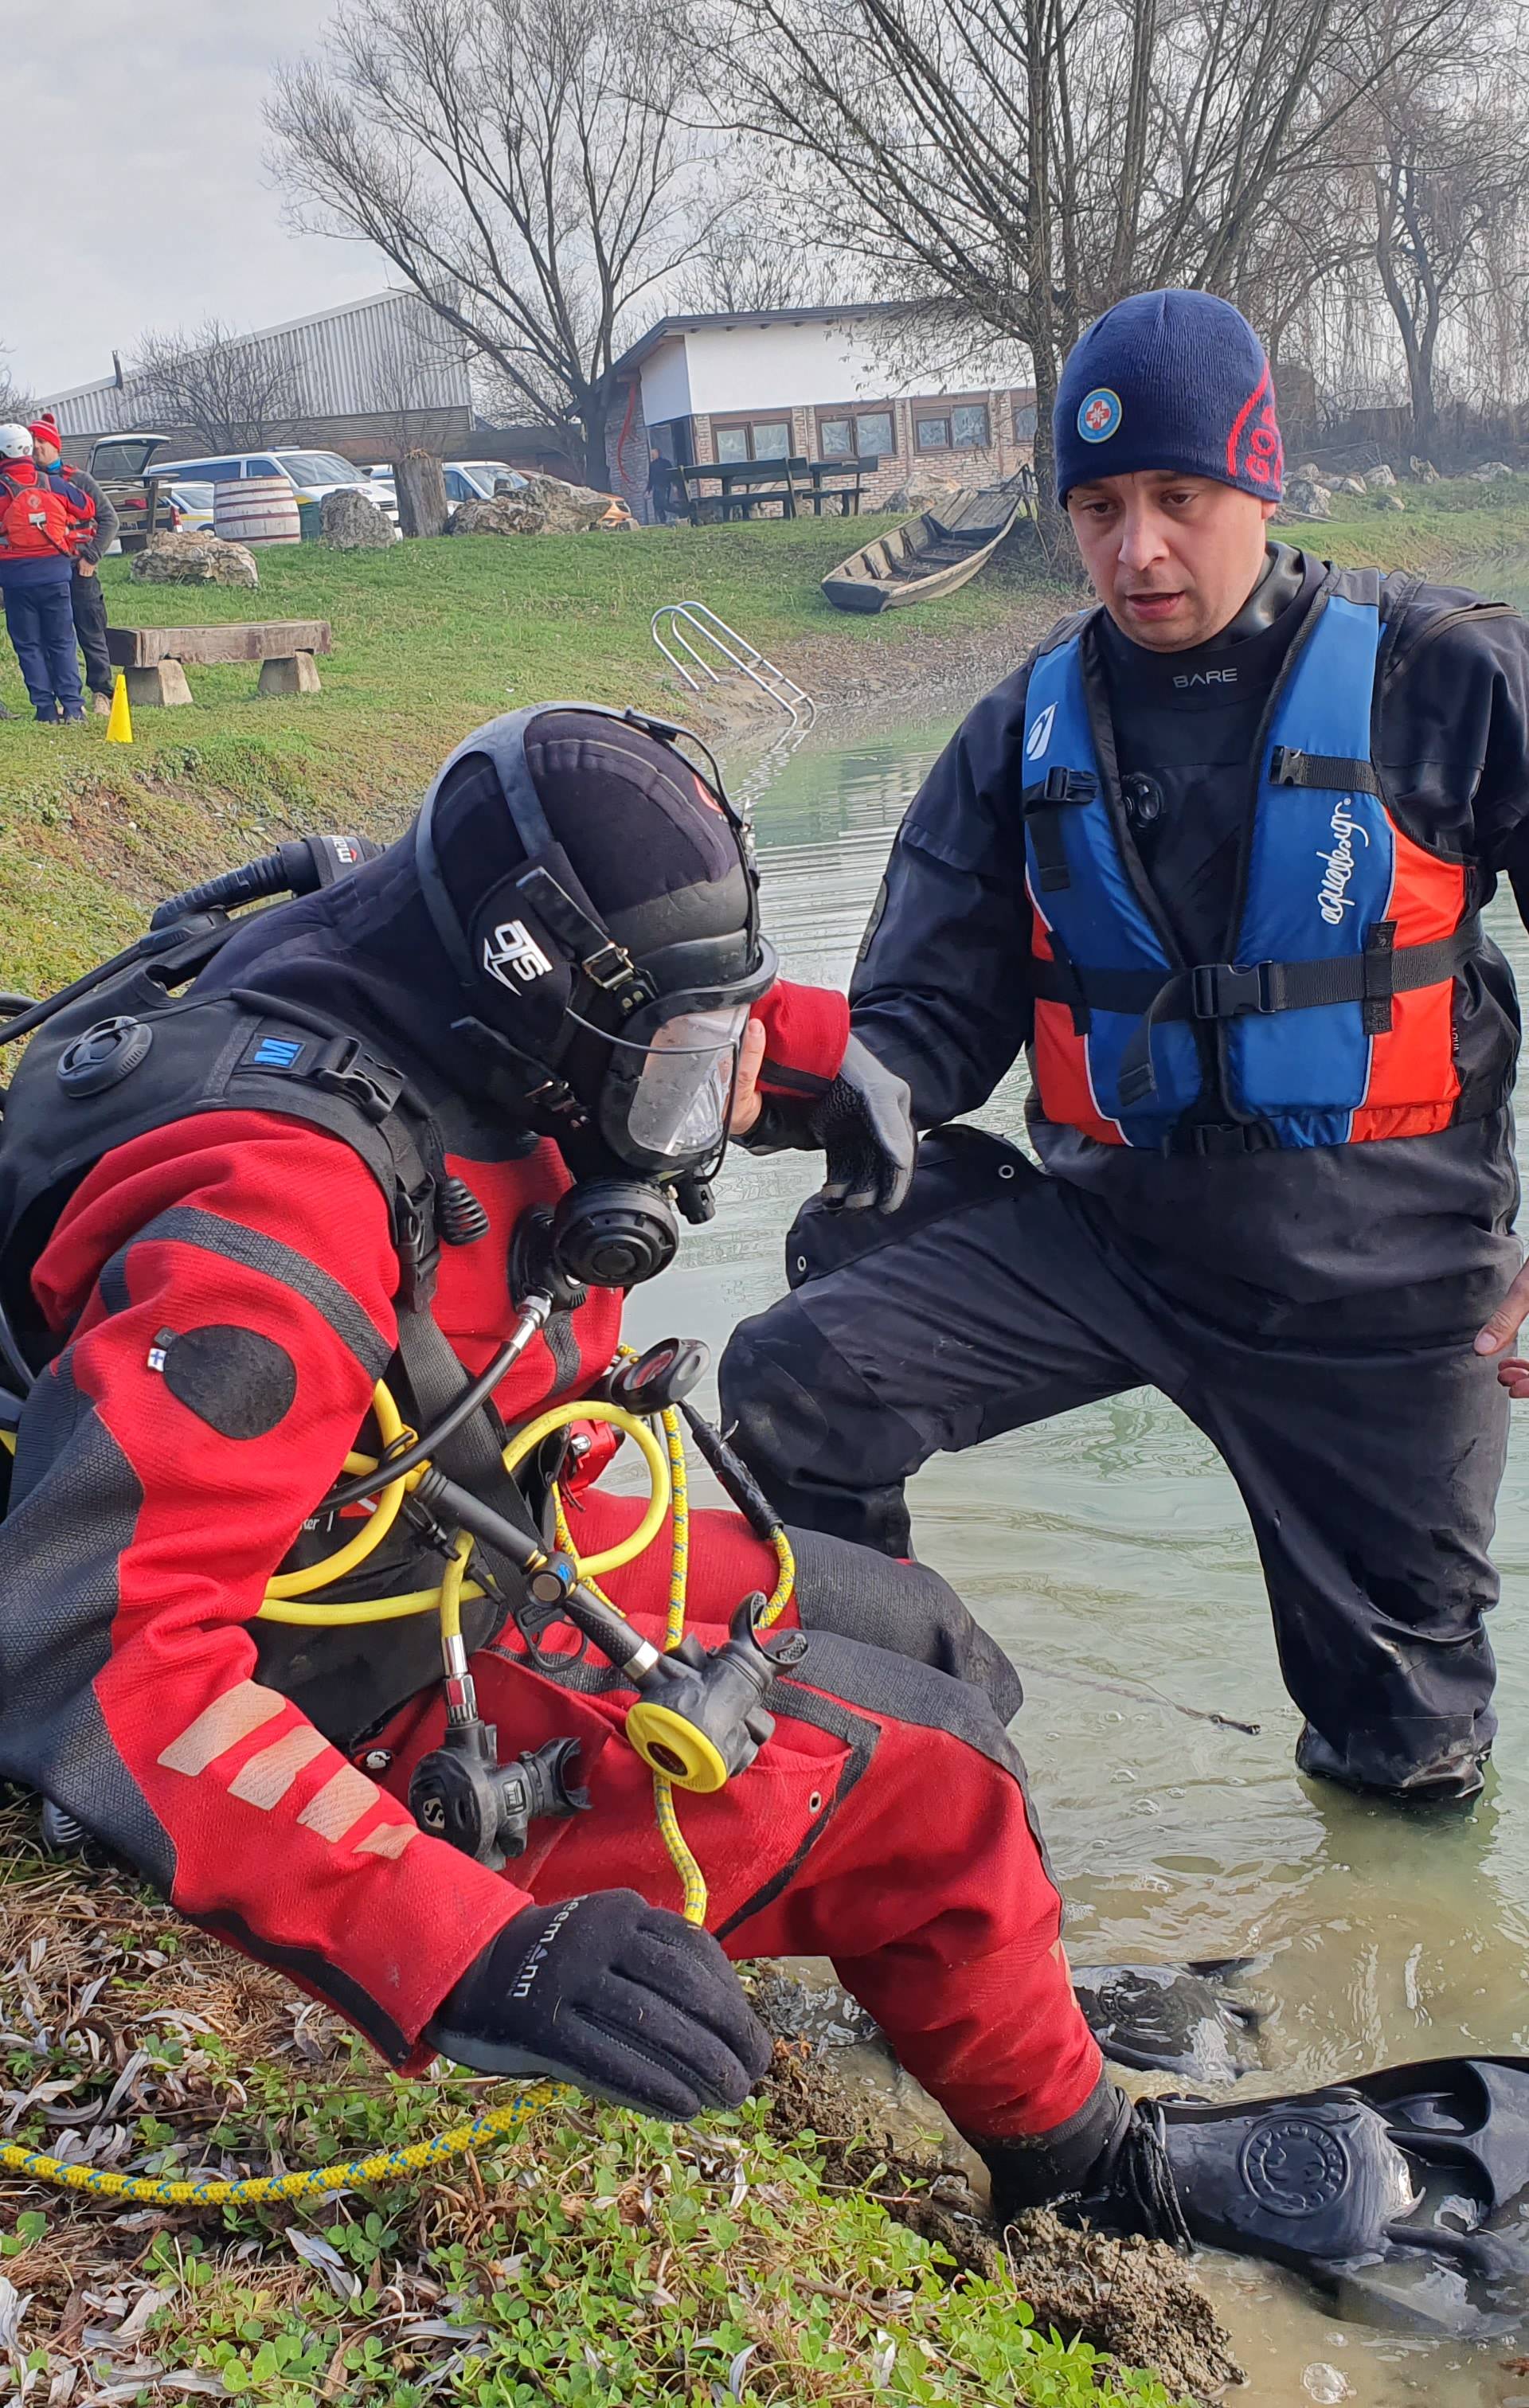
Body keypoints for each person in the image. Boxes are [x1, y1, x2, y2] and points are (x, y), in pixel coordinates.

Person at [0, 702, 1499, 2297]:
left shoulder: (432, 937)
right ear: (539, 1031)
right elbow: (94, 1671)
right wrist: (473, 1954)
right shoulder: (275, 1218)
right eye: (675, 1081)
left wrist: (814, 1057)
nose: (697, 1114)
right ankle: (1090, 2172)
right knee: (934, 1792)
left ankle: (957, 1992)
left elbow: (648, 1002)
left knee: (928, 1633)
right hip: (324, 1688)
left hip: (441, 1538)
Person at [721, 287, 1529, 1812]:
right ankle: (892, 1762)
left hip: (1388, 1284)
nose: (1136, 550)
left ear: (1259, 483)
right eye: (1096, 507)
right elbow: (921, 1026)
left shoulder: (1452, 671)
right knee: (792, 1382)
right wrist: (778, 1081)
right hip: (1113, 1241)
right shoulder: (1020, 729)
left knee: (1407, 1759)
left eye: (1177, 497)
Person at [0, 423, 95, 723]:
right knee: (62, 642)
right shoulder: (51, 483)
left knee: (29, 645)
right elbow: (86, 508)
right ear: (29, 449)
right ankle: (74, 708)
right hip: (55, 576)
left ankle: (45, 710)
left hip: (16, 580)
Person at [29, 415, 119, 714]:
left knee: (91, 629)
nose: (36, 447)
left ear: (55, 446)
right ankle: (59, 696)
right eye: (32, 442)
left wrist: (91, 556)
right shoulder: (26, 483)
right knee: (51, 636)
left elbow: (109, 519)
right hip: (44, 571)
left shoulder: (79, 480)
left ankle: (102, 692)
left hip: (78, 568)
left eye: (42, 442)